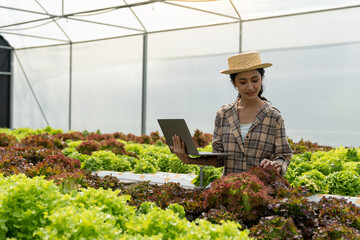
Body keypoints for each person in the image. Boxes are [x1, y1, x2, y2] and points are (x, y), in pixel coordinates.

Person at [171, 51, 292, 176]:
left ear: (261, 79)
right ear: (234, 83)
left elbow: (283, 156)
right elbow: (219, 158)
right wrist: (189, 159)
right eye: (243, 82)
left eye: (255, 80)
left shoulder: (273, 117)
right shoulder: (223, 115)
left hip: (261, 190)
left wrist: (275, 166)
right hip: (231, 191)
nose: (250, 87)